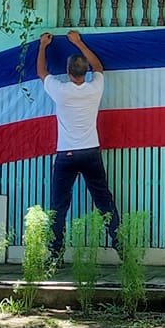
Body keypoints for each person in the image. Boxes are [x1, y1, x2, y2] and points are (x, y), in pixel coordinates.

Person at [38, 29, 120, 254]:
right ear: (85, 72)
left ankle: (55, 254)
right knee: (104, 202)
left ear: (67, 72)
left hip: (66, 155)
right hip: (90, 153)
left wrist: (43, 46)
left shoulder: (61, 90)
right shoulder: (95, 88)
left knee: (59, 207)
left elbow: (42, 71)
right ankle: (121, 245)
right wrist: (79, 42)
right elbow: (99, 67)